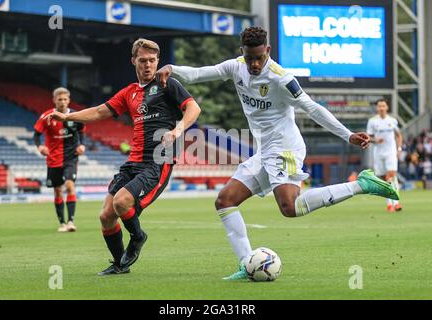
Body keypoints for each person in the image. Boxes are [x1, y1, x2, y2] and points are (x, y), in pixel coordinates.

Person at [156, 27, 399, 280]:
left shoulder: (281, 78)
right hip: (265, 150)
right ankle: (247, 264)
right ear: (243, 53)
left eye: (260, 57)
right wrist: (172, 68)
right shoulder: (235, 67)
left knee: (289, 206)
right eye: (250, 58)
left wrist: (347, 134)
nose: (255, 63)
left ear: (268, 51)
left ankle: (362, 184)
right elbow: (198, 74)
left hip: (285, 147)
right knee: (225, 201)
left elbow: (313, 109)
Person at [48, 38, 201, 275]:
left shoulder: (167, 84)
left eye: (152, 60)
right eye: (143, 60)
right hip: (134, 161)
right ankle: (120, 264)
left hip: (158, 161)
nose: (148, 65)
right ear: (133, 61)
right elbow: (99, 112)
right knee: (106, 216)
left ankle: (138, 237)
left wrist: (177, 130)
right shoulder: (129, 92)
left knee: (121, 202)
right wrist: (68, 117)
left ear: (158, 61)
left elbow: (194, 108)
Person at [34, 87, 85, 232]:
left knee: (69, 185)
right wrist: (40, 147)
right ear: (54, 100)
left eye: (65, 99)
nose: (62, 102)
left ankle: (71, 222)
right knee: (57, 191)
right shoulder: (47, 116)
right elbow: (36, 135)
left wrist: (82, 144)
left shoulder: (76, 115)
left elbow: (81, 132)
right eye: (59, 99)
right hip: (53, 158)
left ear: (69, 100)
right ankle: (62, 223)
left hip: (71, 157)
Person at [367, 99, 403, 212]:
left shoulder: (392, 121)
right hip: (378, 153)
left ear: (387, 107)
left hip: (391, 152)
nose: (381, 108)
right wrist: (375, 140)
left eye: (383, 106)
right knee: (384, 179)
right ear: (377, 108)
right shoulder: (372, 121)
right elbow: (368, 138)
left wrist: (399, 148)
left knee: (390, 175)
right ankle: (389, 203)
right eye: (379, 106)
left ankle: (396, 203)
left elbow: (399, 135)